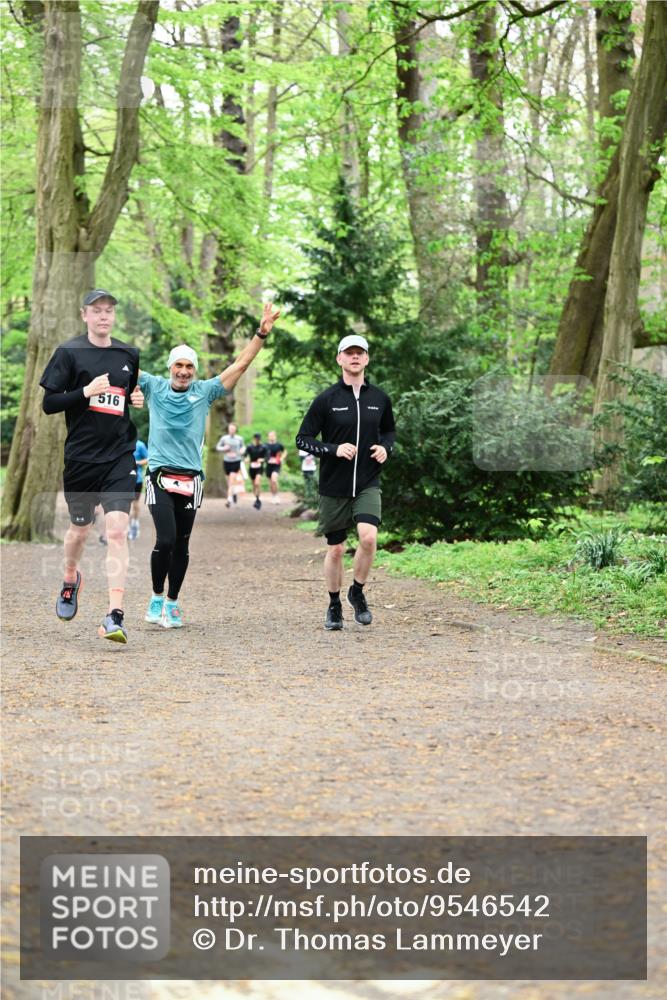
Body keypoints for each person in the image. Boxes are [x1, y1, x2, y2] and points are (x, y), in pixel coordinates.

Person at [139, 303, 280, 628]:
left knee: (183, 544)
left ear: (195, 369)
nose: (184, 370)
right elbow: (122, 367)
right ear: (170, 366)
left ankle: (173, 603)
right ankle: (156, 596)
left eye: (189, 365)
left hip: (191, 479)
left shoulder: (204, 392)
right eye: (179, 365)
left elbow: (241, 364)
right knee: (166, 539)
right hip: (159, 475)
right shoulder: (153, 386)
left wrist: (261, 333)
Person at [40, 289, 142, 643]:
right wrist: (84, 392)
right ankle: (70, 577)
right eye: (97, 311)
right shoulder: (69, 353)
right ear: (84, 314)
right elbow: (50, 404)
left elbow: (125, 398)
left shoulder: (129, 353)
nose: (103, 316)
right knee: (79, 531)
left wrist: (134, 399)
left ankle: (115, 616)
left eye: (109, 311)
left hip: (119, 455)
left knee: (116, 530)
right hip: (82, 458)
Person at [295, 334, 396, 630]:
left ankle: (358, 592)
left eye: (359, 353)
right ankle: (334, 604)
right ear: (339, 359)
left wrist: (385, 448)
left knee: (368, 538)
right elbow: (303, 439)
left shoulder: (379, 398)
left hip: (367, 481)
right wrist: (333, 449)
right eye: (348, 353)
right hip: (333, 486)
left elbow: (389, 432)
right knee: (337, 549)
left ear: (367, 359)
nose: (354, 357)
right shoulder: (327, 400)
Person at [215, 423, 246, 508]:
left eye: (233, 429)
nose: (232, 430)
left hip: (236, 461)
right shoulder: (224, 438)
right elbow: (217, 447)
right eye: (230, 428)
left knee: (231, 480)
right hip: (227, 461)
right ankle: (234, 493)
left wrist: (242, 451)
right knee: (229, 481)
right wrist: (224, 448)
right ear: (228, 429)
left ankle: (229, 499)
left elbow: (243, 447)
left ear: (235, 429)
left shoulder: (239, 438)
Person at [129, 438, 149, 540]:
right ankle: (125, 527)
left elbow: (148, 459)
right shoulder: (121, 443)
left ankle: (135, 523)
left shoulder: (140, 445)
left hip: (137, 479)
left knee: (135, 503)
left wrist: (137, 463)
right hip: (123, 480)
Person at [245, 432, 267, 509]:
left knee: (257, 483)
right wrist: (246, 458)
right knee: (254, 485)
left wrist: (263, 459)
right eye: (256, 439)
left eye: (259, 439)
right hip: (252, 468)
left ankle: (258, 500)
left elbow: (267, 456)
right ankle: (257, 498)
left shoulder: (263, 447)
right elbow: (245, 455)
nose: (257, 440)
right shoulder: (249, 447)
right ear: (254, 439)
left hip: (259, 468)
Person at [265, 430, 287, 504]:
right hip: (269, 466)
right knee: (271, 483)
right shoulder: (265, 445)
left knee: (274, 479)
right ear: (268, 437)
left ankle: (277, 496)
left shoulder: (279, 445)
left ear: (275, 436)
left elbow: (285, 451)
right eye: (270, 436)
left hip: (276, 465)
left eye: (273, 435)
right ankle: (273, 496)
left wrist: (281, 458)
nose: (271, 437)